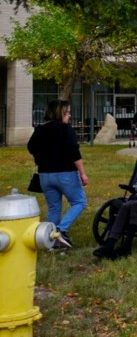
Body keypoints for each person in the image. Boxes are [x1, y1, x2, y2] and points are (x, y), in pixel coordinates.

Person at [27, 99, 88, 248]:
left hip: (45, 175)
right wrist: (83, 173)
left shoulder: (40, 130)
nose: (69, 115)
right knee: (79, 202)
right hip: (65, 173)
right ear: (60, 113)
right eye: (67, 112)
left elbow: (31, 147)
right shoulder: (65, 129)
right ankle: (61, 230)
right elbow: (75, 153)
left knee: (54, 208)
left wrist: (41, 158)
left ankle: (52, 242)